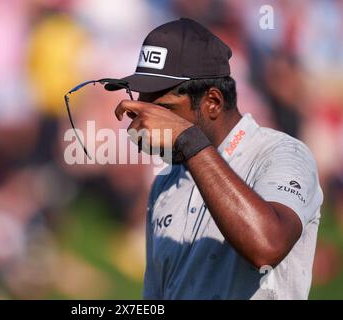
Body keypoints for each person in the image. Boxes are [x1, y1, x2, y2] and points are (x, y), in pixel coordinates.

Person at [106, 18, 323, 299]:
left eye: (163, 110)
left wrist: (190, 140)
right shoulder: (167, 181)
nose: (149, 122)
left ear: (213, 103)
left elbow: (267, 247)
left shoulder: (283, 153)